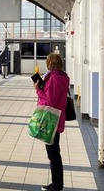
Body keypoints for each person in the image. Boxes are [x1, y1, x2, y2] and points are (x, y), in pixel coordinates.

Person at [35, 53, 70, 191]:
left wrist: (38, 90)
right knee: (54, 152)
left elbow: (50, 102)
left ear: (50, 63)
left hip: (52, 120)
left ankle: (57, 185)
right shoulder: (62, 76)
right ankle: (56, 183)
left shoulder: (54, 78)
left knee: (53, 153)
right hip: (57, 118)